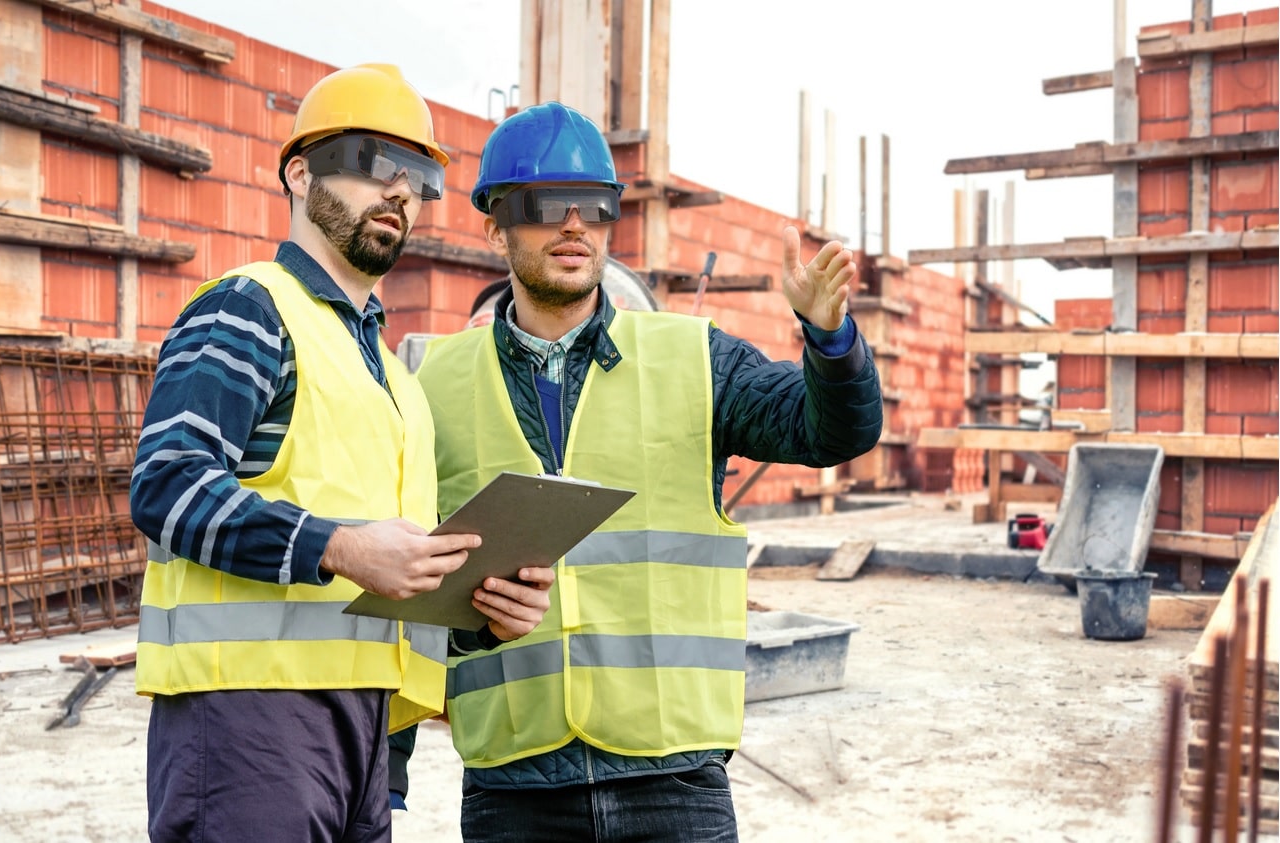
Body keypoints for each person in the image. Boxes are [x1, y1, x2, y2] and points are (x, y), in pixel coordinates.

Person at [412, 101, 884, 842]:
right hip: (513, 781)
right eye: (543, 205)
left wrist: (829, 341)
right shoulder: (427, 382)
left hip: (674, 779)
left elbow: (832, 430)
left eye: (594, 207)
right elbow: (400, 577)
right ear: (494, 225)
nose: (573, 225)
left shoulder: (696, 358)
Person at [129, 64, 552, 842]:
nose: (398, 190)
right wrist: (341, 545)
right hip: (248, 723)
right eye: (370, 163)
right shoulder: (249, 306)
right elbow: (166, 486)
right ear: (299, 171)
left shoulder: (391, 376)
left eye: (417, 174)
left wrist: (479, 614)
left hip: (365, 728)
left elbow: (386, 575)